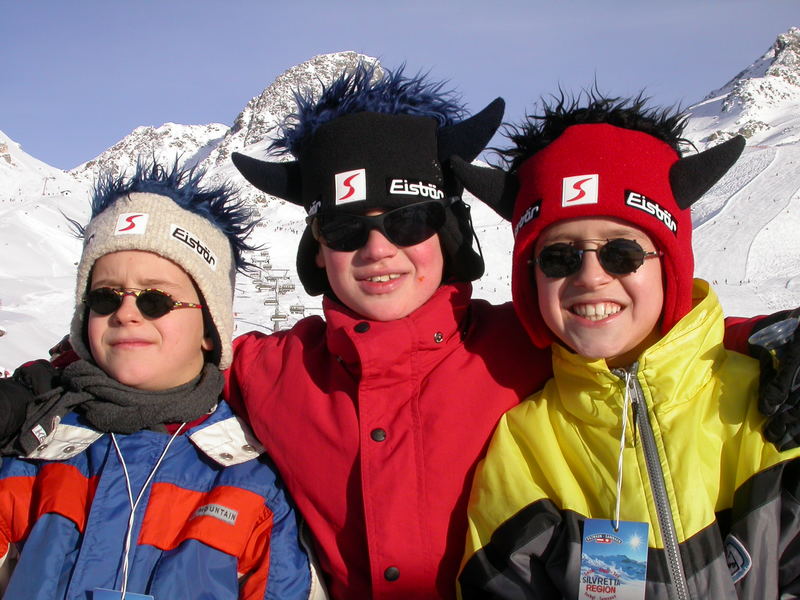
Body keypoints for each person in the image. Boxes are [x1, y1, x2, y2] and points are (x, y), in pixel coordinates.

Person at [228, 66, 774, 599]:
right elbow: (169, 360)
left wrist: (770, 342)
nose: (378, 250)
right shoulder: (270, 371)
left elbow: (653, 350)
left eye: (409, 220)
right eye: (347, 230)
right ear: (317, 252)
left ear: (448, 233)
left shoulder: (518, 343)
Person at [456, 94, 800, 598]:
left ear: (671, 266)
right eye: (558, 257)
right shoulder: (528, 445)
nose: (591, 276)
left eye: (621, 253)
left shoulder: (768, 404)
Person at [0, 162, 325, 599]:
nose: (127, 313)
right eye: (105, 297)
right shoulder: (32, 453)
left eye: (156, 299)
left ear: (210, 328)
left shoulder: (250, 480)